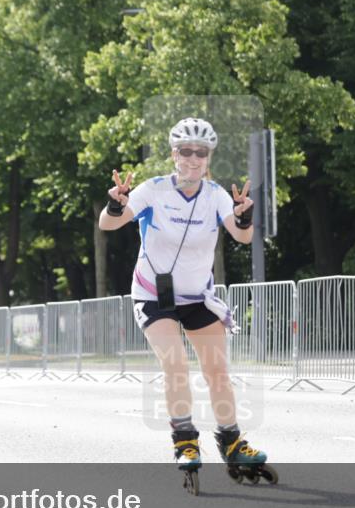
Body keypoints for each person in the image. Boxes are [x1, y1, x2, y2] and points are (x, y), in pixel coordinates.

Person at [98, 117, 270, 478]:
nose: (193, 159)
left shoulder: (216, 195)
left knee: (218, 372)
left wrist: (244, 216)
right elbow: (108, 224)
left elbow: (240, 236)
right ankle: (185, 440)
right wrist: (116, 205)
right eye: (186, 151)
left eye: (201, 153)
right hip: (153, 295)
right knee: (175, 365)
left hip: (197, 296)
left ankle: (232, 441)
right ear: (174, 154)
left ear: (209, 158)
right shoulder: (153, 189)